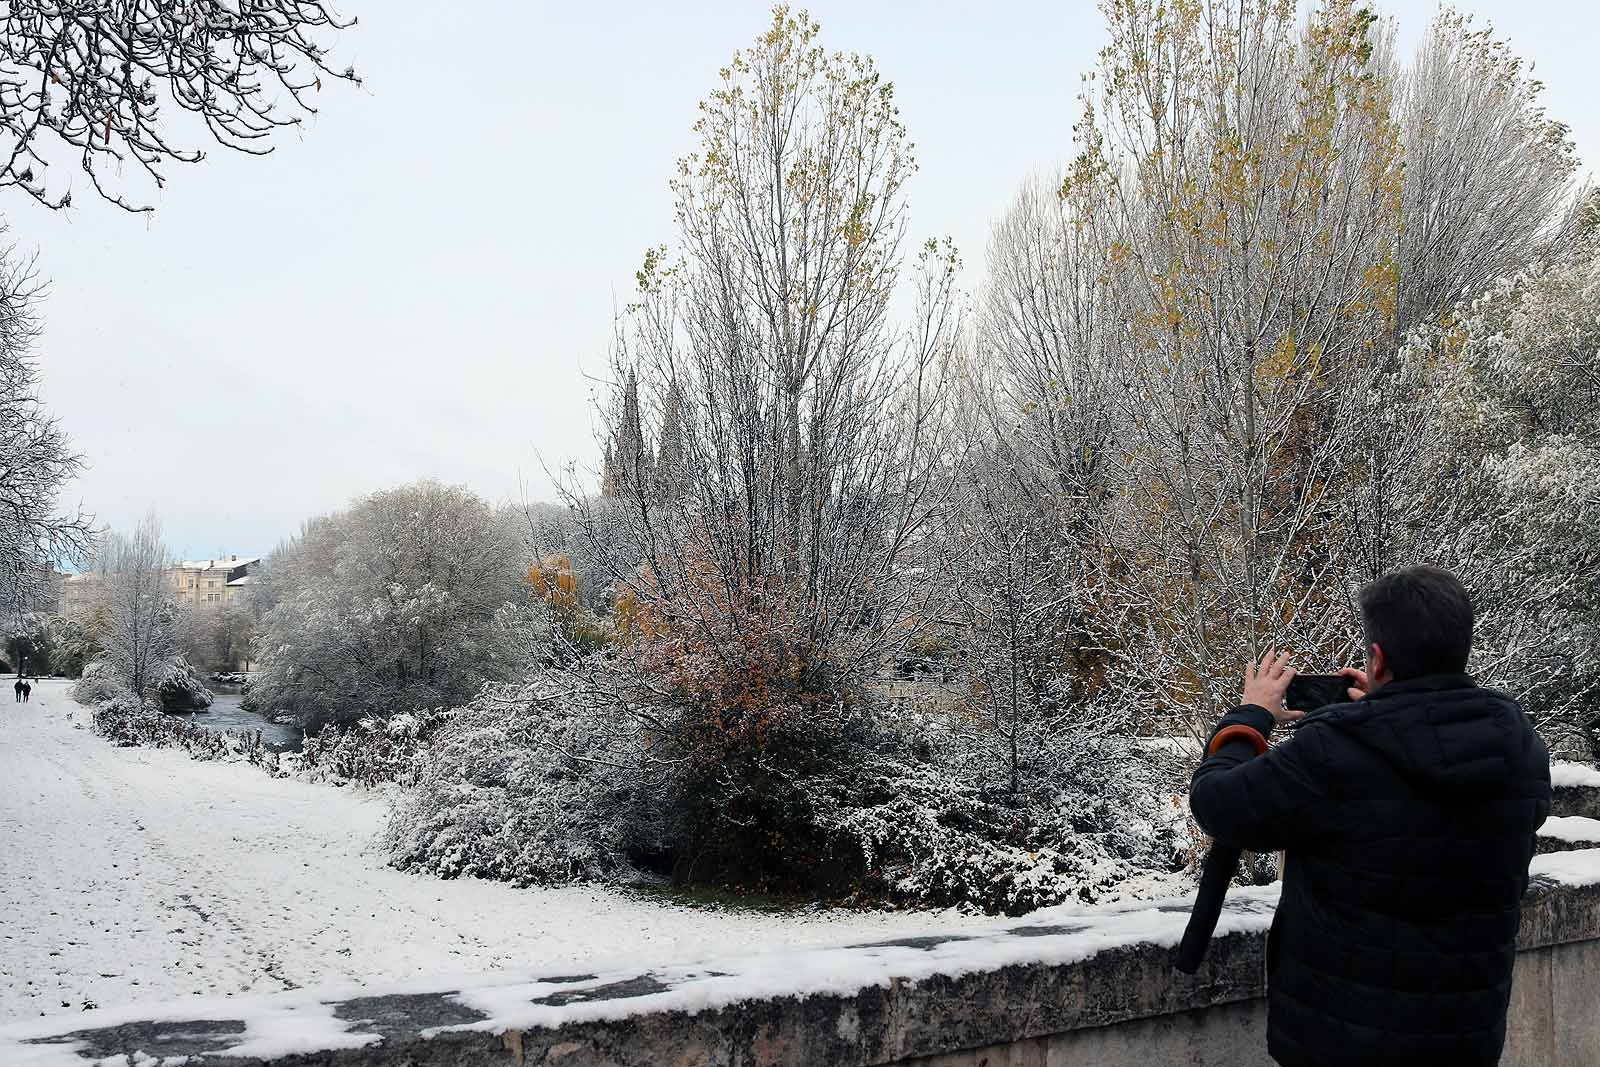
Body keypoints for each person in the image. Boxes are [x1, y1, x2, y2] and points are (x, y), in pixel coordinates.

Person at [1189, 565, 1551, 1067]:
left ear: (1377, 658)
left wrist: (1251, 716)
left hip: (1345, 1042)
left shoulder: (1336, 748)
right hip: (1464, 1037)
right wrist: (1389, 708)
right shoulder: (1518, 744)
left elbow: (1217, 803)